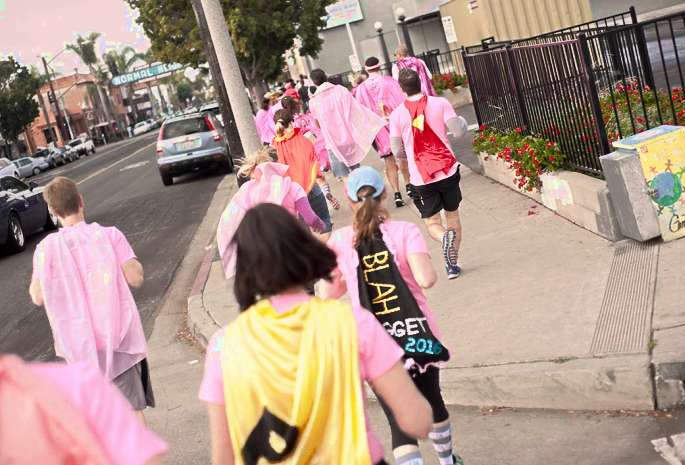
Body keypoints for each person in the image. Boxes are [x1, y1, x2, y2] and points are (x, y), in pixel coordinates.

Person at [201, 203, 433, 465]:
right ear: (302, 249)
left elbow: (223, 457)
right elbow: (417, 422)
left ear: (245, 266)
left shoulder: (224, 346)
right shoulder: (351, 323)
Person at [318, 166, 463, 465]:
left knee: (399, 424)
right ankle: (447, 461)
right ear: (384, 195)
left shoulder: (341, 241)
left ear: (349, 200)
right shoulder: (405, 231)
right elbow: (426, 279)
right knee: (433, 402)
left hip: (375, 347)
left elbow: (327, 294)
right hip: (417, 334)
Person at [28, 177, 154, 417]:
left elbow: (37, 296)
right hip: (118, 340)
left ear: (53, 211)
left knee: (97, 420)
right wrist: (131, 264)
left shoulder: (46, 249)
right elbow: (135, 278)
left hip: (79, 347)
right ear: (80, 201)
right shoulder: (110, 236)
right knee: (131, 413)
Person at [0, 354, 167, 465]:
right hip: (113, 356)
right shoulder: (76, 383)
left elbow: (38, 298)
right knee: (134, 409)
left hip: (92, 355)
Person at [389, 69, 468, 279]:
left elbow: (396, 150)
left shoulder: (396, 115)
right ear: (421, 82)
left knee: (432, 222)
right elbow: (458, 132)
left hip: (420, 176)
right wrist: (461, 123)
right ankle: (453, 264)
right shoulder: (440, 103)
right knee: (453, 215)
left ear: (401, 88)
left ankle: (443, 238)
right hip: (448, 169)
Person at [216, 147, 326, 280]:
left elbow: (233, 219)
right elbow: (311, 219)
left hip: (265, 251)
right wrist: (321, 226)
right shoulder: (292, 187)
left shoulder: (247, 191)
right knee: (303, 284)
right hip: (293, 246)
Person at [308, 68, 386, 181]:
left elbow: (317, 125)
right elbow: (355, 110)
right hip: (349, 138)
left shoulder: (314, 101)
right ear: (326, 77)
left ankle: (354, 196)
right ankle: (362, 193)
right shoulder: (341, 90)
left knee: (344, 176)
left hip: (333, 143)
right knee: (356, 170)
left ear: (314, 82)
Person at [355, 56, 411, 208]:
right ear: (379, 67)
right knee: (402, 157)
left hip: (378, 129)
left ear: (366, 69)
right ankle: (408, 185)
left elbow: (361, 113)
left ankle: (397, 194)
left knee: (389, 162)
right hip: (393, 124)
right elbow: (402, 102)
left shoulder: (361, 90)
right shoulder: (390, 82)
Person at [272, 108, 337, 234]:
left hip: (292, 197)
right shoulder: (304, 140)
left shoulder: (273, 148)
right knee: (325, 225)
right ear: (291, 123)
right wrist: (328, 193)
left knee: (305, 236)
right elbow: (316, 171)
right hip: (312, 189)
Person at [280, 95, 330, 172]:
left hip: (307, 138)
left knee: (316, 151)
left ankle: (323, 165)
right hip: (316, 135)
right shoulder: (301, 112)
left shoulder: (290, 121)